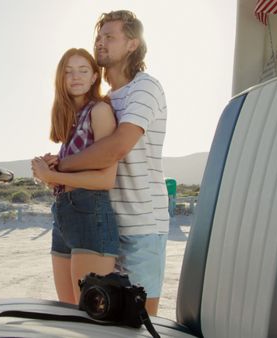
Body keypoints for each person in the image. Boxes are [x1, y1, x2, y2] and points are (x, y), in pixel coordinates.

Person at [54, 10, 169, 316]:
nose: (100, 42)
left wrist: (61, 168)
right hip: (103, 223)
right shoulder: (106, 99)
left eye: (109, 36)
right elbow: (90, 155)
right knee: (97, 323)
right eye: (99, 37)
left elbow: (116, 148)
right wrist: (62, 159)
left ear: (132, 44)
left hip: (141, 226)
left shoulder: (144, 88)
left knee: (138, 321)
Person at [31, 48, 119, 305]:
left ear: (94, 77)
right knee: (67, 312)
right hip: (64, 214)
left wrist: (54, 176)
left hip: (91, 214)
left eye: (83, 70)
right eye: (68, 71)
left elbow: (105, 180)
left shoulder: (99, 111)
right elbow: (72, 172)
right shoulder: (70, 119)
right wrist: (51, 170)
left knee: (88, 318)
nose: (75, 77)